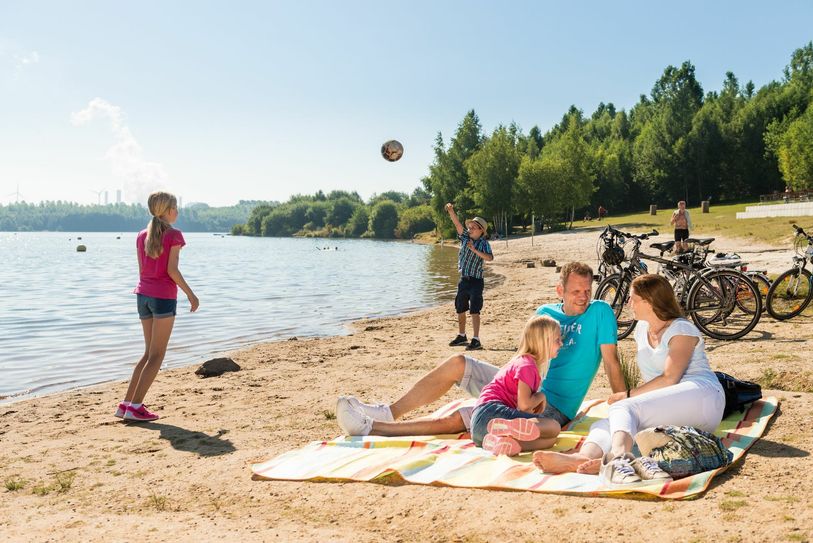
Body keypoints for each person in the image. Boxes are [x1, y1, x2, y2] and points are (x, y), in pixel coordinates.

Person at [335, 262, 625, 438]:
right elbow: (524, 356)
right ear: (559, 290)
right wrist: (501, 383)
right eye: (576, 291)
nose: (583, 297)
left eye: (587, 290)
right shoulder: (544, 312)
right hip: (520, 381)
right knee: (458, 362)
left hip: (550, 404)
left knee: (466, 416)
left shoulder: (599, 313)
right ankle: (389, 412)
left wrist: (624, 406)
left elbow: (611, 363)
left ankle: (373, 428)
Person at [532, 274, 725, 488]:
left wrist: (627, 396)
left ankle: (618, 459)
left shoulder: (681, 329)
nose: (628, 303)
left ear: (649, 301)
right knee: (609, 422)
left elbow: (670, 378)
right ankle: (583, 457)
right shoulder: (641, 330)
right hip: (674, 407)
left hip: (703, 397)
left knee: (624, 406)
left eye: (633, 298)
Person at [116, 191, 199, 422]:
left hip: (142, 296)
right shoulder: (174, 235)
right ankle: (136, 406)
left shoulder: (142, 234)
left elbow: (142, 269)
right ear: (168, 210)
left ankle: (126, 405)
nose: (178, 212)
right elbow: (172, 270)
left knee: (148, 354)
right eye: (176, 207)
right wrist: (191, 295)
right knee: (157, 355)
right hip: (162, 297)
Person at [471, 315, 562, 456]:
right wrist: (541, 396)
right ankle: (507, 431)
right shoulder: (527, 365)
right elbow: (525, 404)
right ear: (543, 342)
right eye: (557, 340)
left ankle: (500, 443)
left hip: (480, 430)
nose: (561, 344)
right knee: (553, 427)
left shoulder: (523, 362)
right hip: (492, 414)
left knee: (550, 440)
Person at [445, 203, 493, 351]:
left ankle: (476, 339)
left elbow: (490, 258)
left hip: (476, 281)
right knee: (460, 308)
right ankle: (462, 336)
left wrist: (474, 250)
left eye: (473, 227)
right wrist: (451, 211)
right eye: (470, 226)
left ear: (481, 230)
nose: (470, 229)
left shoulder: (484, 243)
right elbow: (457, 224)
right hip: (464, 279)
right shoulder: (465, 237)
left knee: (474, 310)